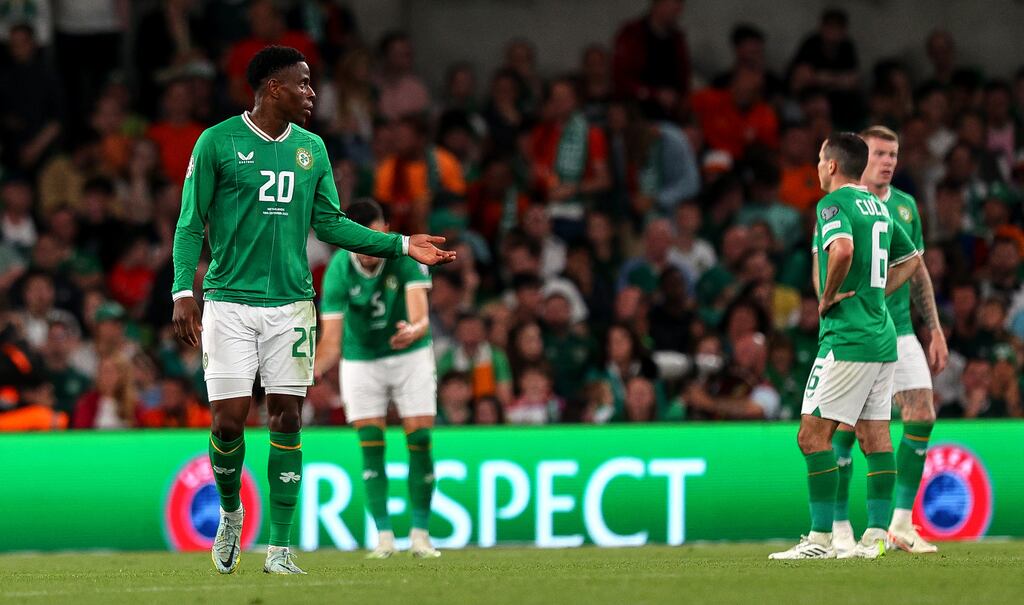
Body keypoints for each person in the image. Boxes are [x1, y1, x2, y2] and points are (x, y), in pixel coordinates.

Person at [171, 46, 455, 576]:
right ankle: (231, 512)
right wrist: (182, 292)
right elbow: (190, 224)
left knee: (286, 416)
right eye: (302, 84)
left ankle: (279, 549)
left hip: (292, 306)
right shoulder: (217, 142)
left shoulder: (312, 149)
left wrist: (398, 243)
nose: (311, 93)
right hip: (229, 302)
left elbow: (330, 224)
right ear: (273, 88)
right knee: (229, 422)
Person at [769, 133, 921, 560]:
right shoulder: (879, 205)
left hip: (848, 338)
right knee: (876, 436)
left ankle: (819, 540)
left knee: (811, 436)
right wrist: (876, 294)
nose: (818, 167)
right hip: (882, 335)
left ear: (832, 166)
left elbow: (841, 250)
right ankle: (873, 538)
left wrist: (827, 296)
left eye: (820, 159)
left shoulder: (832, 205)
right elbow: (912, 258)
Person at [829, 126, 949, 555]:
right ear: (862, 157)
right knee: (847, 429)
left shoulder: (905, 206)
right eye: (880, 153)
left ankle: (900, 524)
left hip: (899, 332)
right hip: (859, 334)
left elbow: (916, 268)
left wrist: (932, 327)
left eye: (894, 154)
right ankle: (838, 526)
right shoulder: (849, 205)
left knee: (921, 414)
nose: (888, 161)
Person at [312, 199, 441, 559]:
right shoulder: (338, 270)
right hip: (361, 359)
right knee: (370, 442)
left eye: (374, 234)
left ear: (385, 229)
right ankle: (384, 537)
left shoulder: (405, 256)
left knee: (420, 437)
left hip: (409, 354)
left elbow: (421, 317)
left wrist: (412, 331)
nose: (368, 248)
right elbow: (332, 341)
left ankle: (420, 534)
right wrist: (316, 369)